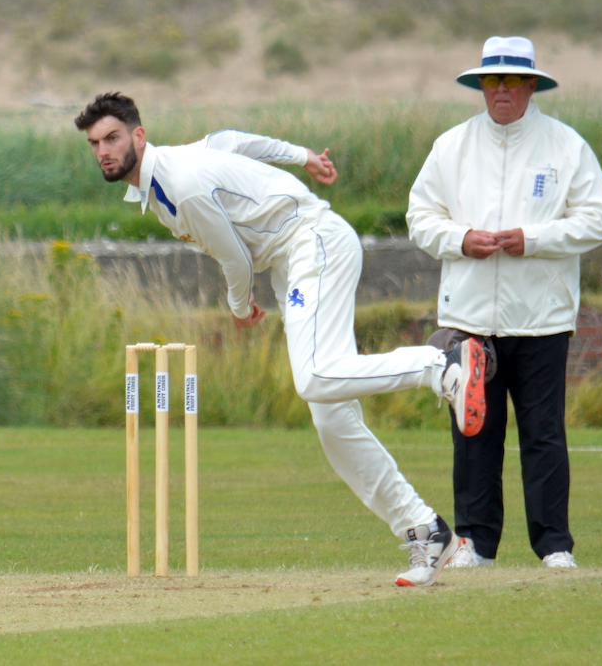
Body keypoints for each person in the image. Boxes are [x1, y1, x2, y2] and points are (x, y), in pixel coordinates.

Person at [74, 92, 478, 586]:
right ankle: (424, 529)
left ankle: (440, 364)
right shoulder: (175, 167)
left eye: (112, 138)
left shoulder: (182, 184)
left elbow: (237, 262)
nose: (103, 151)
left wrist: (240, 309)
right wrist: (301, 155)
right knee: (331, 417)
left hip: (314, 242)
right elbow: (234, 141)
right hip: (295, 263)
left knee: (313, 379)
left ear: (139, 135)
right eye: (95, 143)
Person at [407, 37, 602, 569]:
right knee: (474, 429)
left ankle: (554, 545)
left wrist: (534, 238)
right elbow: (420, 217)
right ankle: (475, 542)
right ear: (481, 85)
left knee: (543, 433)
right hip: (468, 319)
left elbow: (596, 219)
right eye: (492, 80)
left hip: (541, 317)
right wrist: (460, 239)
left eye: (512, 80)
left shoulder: (566, 147)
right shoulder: (450, 147)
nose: (501, 89)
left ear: (531, 85)